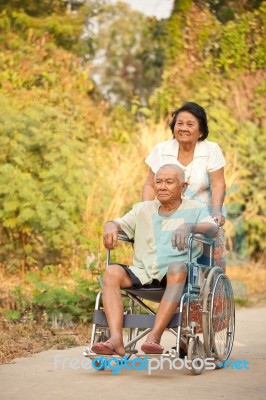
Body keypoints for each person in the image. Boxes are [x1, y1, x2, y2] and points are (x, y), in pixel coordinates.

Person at [91, 164, 218, 357]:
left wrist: (191, 227)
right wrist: (110, 225)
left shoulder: (196, 209)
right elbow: (119, 222)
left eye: (169, 182)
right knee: (111, 272)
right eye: (158, 182)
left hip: (178, 275)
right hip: (144, 272)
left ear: (183, 186)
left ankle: (154, 337)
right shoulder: (142, 209)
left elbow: (213, 229)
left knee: (177, 267)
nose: (162, 187)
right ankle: (115, 339)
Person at [142, 102, 226, 227]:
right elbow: (150, 185)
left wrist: (215, 213)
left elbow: (218, 185)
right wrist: (145, 212)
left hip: (201, 219)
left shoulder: (211, 150)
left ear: (201, 132)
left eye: (190, 124)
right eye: (179, 123)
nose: (183, 128)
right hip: (166, 218)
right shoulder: (161, 149)